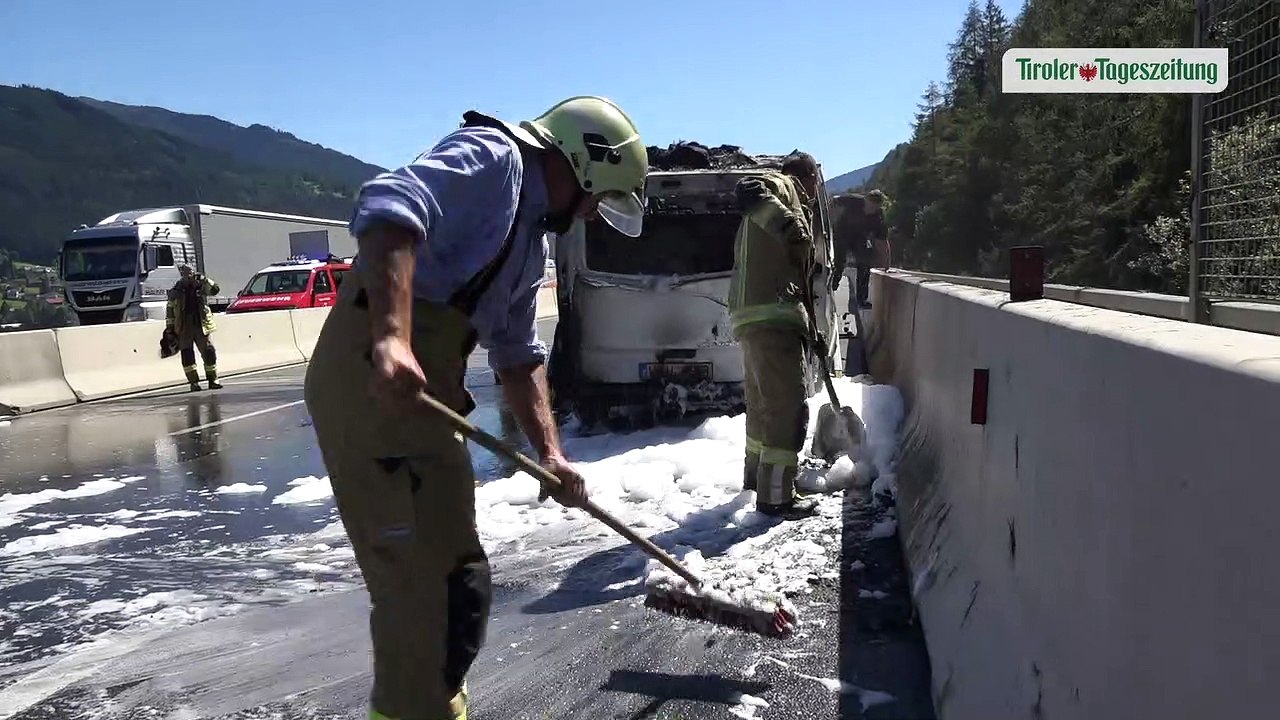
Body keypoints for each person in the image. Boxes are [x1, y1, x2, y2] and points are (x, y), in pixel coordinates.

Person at [302, 96, 648, 720]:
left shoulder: (531, 245)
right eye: (601, 195)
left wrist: (551, 455)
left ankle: (436, 705)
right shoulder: (494, 162)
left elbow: (518, 355)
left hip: (427, 399)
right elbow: (390, 205)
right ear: (585, 163)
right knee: (415, 592)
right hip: (370, 383)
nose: (596, 211)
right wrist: (391, 335)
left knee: (461, 586)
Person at [728, 151, 825, 520]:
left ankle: (756, 480)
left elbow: (799, 281)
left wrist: (812, 330)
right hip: (773, 315)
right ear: (810, 177)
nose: (815, 192)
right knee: (787, 408)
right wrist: (790, 226)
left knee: (763, 407)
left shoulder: (787, 200)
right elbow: (748, 189)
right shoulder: (782, 185)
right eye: (816, 182)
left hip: (753, 317)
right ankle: (776, 498)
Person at [166, 264, 222, 392]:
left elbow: (215, 290)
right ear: (182, 274)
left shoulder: (200, 286)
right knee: (187, 356)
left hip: (201, 325)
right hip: (184, 327)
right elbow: (170, 312)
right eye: (187, 273)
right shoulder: (175, 292)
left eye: (191, 272)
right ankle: (194, 382)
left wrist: (204, 279)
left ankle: (213, 379)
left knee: (209, 352)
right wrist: (170, 329)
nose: (189, 275)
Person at [830, 189, 887, 309]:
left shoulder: (878, 218)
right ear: (865, 200)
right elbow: (834, 200)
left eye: (875, 207)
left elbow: (882, 241)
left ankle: (862, 299)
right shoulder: (854, 200)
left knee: (865, 263)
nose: (871, 209)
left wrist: (887, 262)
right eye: (870, 205)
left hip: (859, 238)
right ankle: (833, 284)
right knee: (839, 262)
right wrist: (832, 221)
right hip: (842, 232)